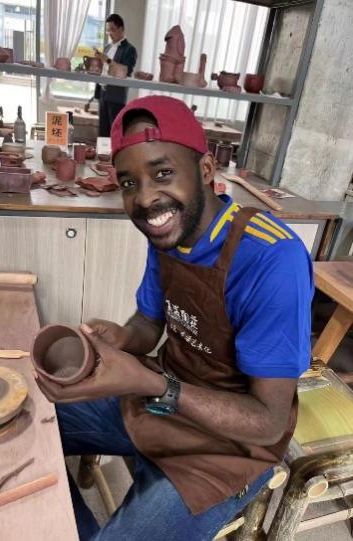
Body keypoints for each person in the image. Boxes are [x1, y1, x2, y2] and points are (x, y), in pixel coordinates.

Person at [35, 95, 314, 541]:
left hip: (230, 448)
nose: (145, 198)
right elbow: (149, 325)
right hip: (162, 401)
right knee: (28, 428)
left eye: (162, 173)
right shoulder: (167, 230)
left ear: (205, 170)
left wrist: (152, 383)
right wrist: (122, 337)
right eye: (129, 183)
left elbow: (267, 423)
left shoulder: (271, 258)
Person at [93, 14, 137, 137]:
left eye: (112, 30)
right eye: (107, 30)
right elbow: (103, 70)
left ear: (121, 29)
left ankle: (114, 151)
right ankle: (101, 150)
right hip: (103, 93)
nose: (109, 33)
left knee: (115, 133)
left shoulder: (130, 50)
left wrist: (106, 60)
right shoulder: (107, 47)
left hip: (117, 96)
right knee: (102, 132)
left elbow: (126, 72)